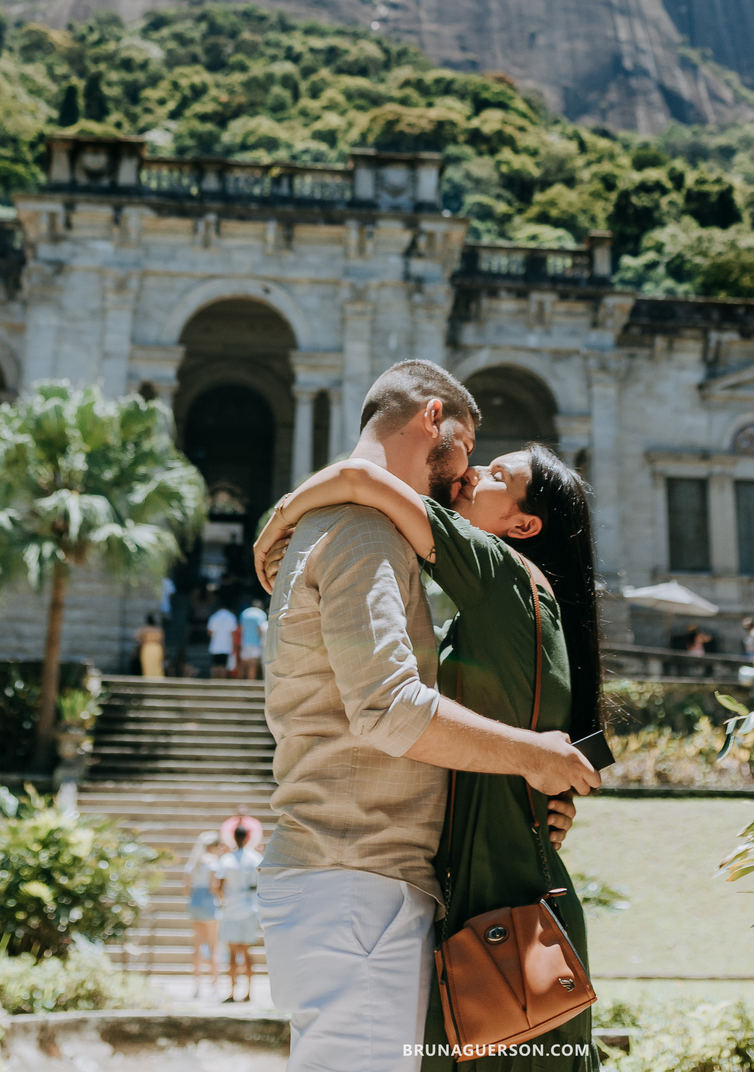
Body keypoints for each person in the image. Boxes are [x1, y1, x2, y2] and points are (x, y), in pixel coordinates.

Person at [249, 359, 599, 1072]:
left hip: (352, 881)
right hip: (359, 880)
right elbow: (389, 708)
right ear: (434, 420)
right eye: (472, 449)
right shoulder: (363, 530)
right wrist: (534, 757)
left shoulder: (344, 527)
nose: (467, 473)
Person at [217, 824, 263, 1002]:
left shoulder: (227, 859)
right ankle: (249, 991)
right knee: (247, 953)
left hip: (232, 908)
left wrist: (223, 901)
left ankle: (231, 992)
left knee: (232, 954)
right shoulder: (255, 858)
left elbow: (219, 885)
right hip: (250, 907)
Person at [184, 831, 222, 998]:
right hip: (208, 903)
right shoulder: (213, 862)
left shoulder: (192, 863)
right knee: (213, 946)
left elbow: (185, 889)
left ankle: (197, 987)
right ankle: (214, 985)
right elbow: (214, 887)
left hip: (194, 903)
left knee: (197, 945)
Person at [238, 598, 267, 682]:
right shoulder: (261, 614)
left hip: (244, 641)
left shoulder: (244, 613)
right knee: (253, 663)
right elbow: (260, 629)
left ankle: (240, 681)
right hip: (256, 642)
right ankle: (250, 681)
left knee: (243, 662)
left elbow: (241, 628)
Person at [207, 600, 237, 678]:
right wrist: (234, 645)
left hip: (215, 645)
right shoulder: (231, 617)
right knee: (223, 665)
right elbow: (233, 633)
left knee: (215, 664)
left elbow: (209, 632)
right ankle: (221, 682)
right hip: (226, 645)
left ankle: (213, 682)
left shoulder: (214, 616)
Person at [136, 613, 165, 680]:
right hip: (157, 648)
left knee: (147, 665)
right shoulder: (159, 629)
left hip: (147, 647)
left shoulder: (144, 629)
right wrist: (163, 651)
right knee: (157, 665)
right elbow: (162, 642)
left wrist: (142, 643)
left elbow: (137, 637)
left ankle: (148, 679)